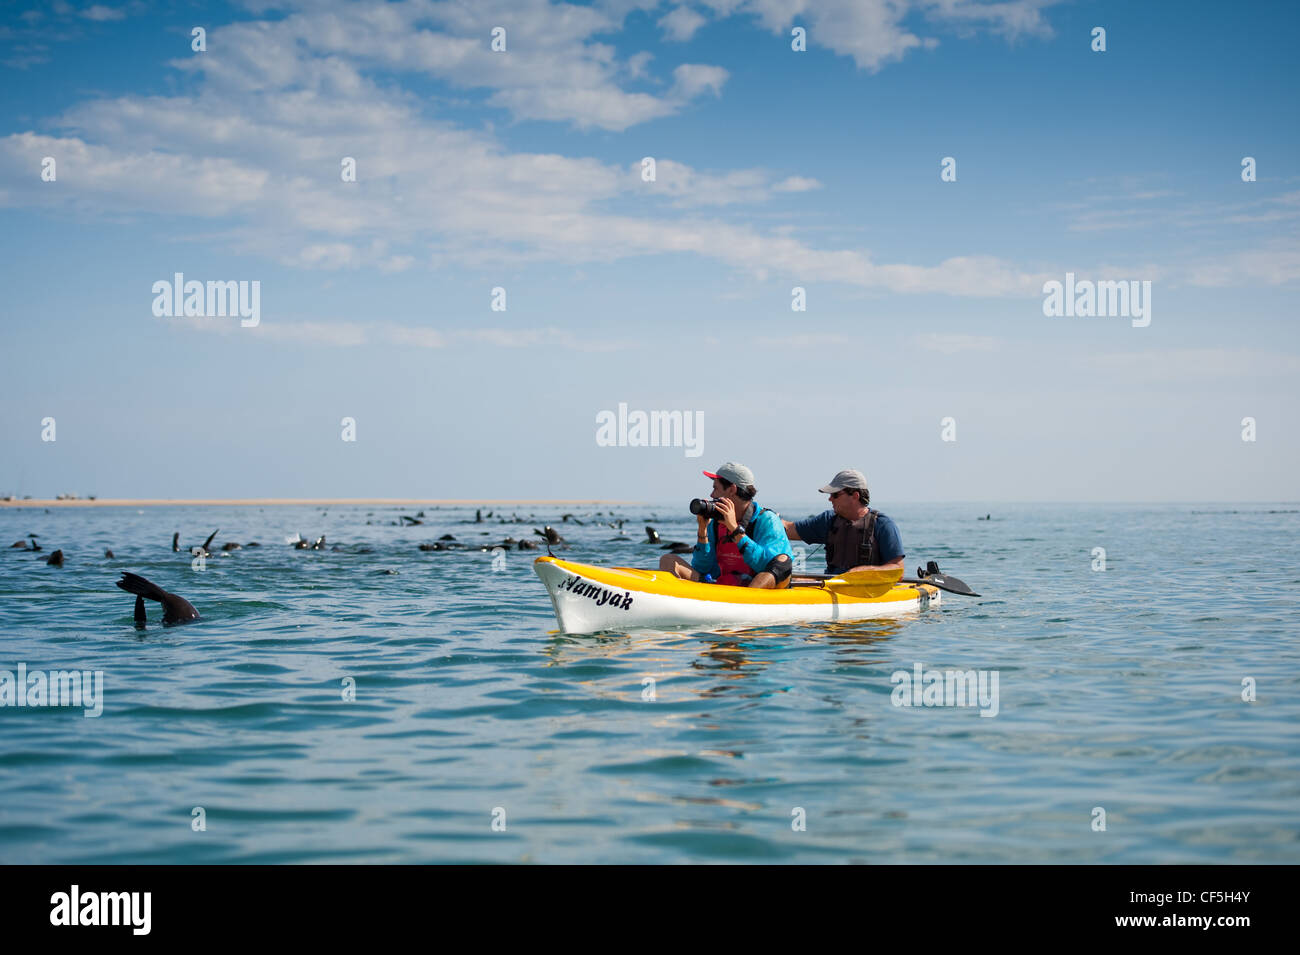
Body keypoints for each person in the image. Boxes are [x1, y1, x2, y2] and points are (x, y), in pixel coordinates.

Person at [659, 461, 793, 589]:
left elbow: (765, 566)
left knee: (782, 560)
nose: (712, 495)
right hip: (723, 587)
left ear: (731, 490)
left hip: (756, 588)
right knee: (668, 560)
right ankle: (677, 600)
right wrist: (702, 530)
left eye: (715, 488)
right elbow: (702, 568)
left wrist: (735, 530)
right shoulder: (717, 522)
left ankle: (745, 603)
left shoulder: (767, 520)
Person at [783, 469, 904, 576]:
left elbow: (898, 570)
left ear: (855, 496)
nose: (830, 498)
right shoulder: (828, 520)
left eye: (835, 494)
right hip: (832, 587)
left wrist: (865, 571)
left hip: (869, 592)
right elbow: (788, 530)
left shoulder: (883, 525)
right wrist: (766, 517)